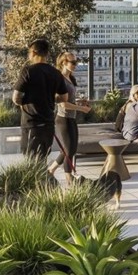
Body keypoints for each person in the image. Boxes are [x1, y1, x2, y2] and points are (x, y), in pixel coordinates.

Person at [12, 39, 68, 159]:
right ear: (47, 54)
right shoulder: (56, 73)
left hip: (31, 124)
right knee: (42, 159)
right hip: (48, 124)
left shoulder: (28, 71)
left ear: (33, 53)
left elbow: (16, 98)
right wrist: (49, 98)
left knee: (31, 162)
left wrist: (24, 103)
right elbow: (64, 97)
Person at [47, 52, 91, 182]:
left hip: (71, 118)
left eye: (75, 62)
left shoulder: (70, 78)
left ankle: (51, 170)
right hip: (63, 119)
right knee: (69, 150)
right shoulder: (59, 79)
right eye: (72, 62)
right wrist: (81, 108)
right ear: (63, 62)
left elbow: (69, 100)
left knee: (70, 148)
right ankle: (69, 179)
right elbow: (63, 104)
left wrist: (79, 103)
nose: (75, 65)